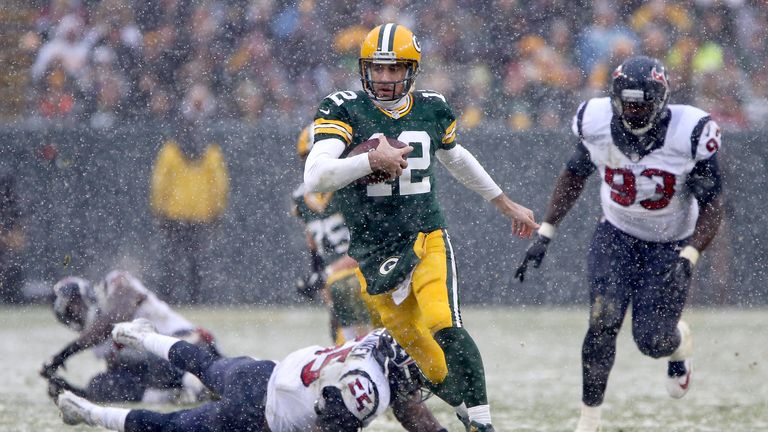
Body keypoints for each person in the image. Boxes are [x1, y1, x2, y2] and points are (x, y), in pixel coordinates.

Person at [303, 23, 539, 432]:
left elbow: (455, 156)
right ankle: (467, 413)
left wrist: (504, 203)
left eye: (396, 69)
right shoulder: (343, 108)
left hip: (423, 234)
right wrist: (369, 162)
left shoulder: (431, 107)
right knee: (423, 354)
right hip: (372, 251)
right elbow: (316, 177)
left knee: (443, 323)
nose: (386, 77)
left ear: (412, 71)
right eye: (378, 68)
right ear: (364, 69)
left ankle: (483, 424)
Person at [514, 56, 724, 432]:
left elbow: (713, 204)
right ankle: (588, 420)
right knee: (602, 320)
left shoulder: (690, 131)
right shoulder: (595, 123)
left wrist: (690, 254)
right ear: (614, 99)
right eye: (628, 103)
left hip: (670, 244)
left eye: (643, 103)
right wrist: (546, 231)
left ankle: (678, 343)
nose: (635, 111)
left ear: (661, 102)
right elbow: (574, 175)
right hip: (616, 234)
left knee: (652, 341)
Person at [55, 321, 448, 432]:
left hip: (264, 373)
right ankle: (87, 413)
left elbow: (410, 409)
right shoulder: (368, 390)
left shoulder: (380, 342)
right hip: (257, 416)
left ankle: (144, 335)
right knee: (171, 425)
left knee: (206, 365)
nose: (418, 388)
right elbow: (329, 425)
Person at [40, 270, 220, 404]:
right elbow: (124, 375)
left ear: (86, 293)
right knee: (101, 383)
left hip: (190, 345)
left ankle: (201, 383)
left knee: (144, 352)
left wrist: (66, 353)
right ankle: (175, 394)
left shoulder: (113, 283)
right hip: (159, 370)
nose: (76, 313)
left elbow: (117, 316)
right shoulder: (95, 341)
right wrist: (72, 392)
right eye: (69, 313)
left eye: (75, 304)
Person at [291, 123, 372, 345]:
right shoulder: (302, 199)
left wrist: (327, 274)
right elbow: (315, 249)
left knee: (344, 286)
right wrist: (321, 280)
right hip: (340, 288)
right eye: (312, 158)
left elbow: (369, 247)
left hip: (368, 277)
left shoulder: (354, 189)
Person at [149, 83, 230, 304]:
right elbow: (219, 185)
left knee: (171, 260)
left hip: (174, 213)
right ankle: (196, 298)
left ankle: (168, 297)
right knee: (197, 261)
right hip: (202, 213)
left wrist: (159, 209)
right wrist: (217, 210)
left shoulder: (171, 150)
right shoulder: (211, 151)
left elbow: (160, 183)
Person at [0, 166, 27, 304]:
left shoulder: (12, 203)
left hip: (10, 233)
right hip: (10, 232)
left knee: (12, 265)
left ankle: (11, 294)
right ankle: (11, 294)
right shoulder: (13, 202)